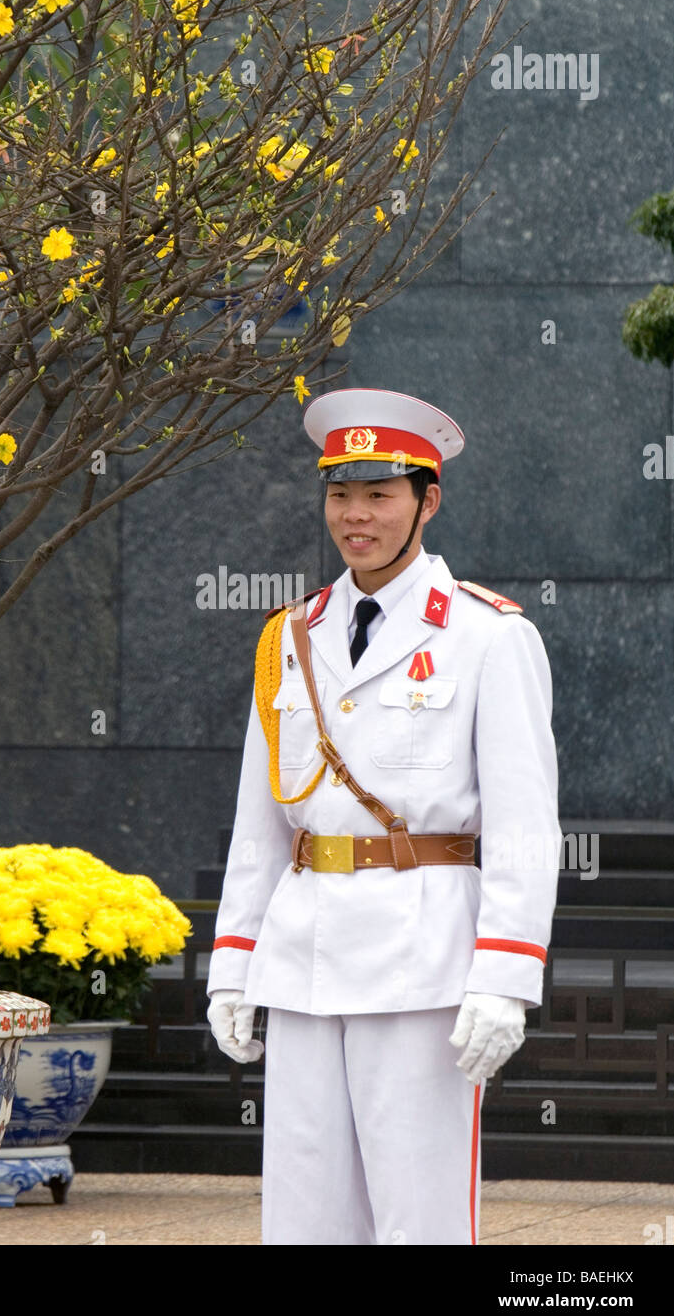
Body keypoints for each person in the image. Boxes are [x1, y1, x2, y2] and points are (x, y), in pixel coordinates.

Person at [206, 387, 561, 1246]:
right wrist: (232, 958)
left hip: (423, 965)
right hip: (303, 958)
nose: (354, 516)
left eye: (379, 494)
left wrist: (506, 974)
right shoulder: (291, 636)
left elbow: (523, 822)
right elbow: (261, 822)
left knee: (421, 1217)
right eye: (339, 493)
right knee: (304, 1218)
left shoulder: (487, 637)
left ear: (426, 502)